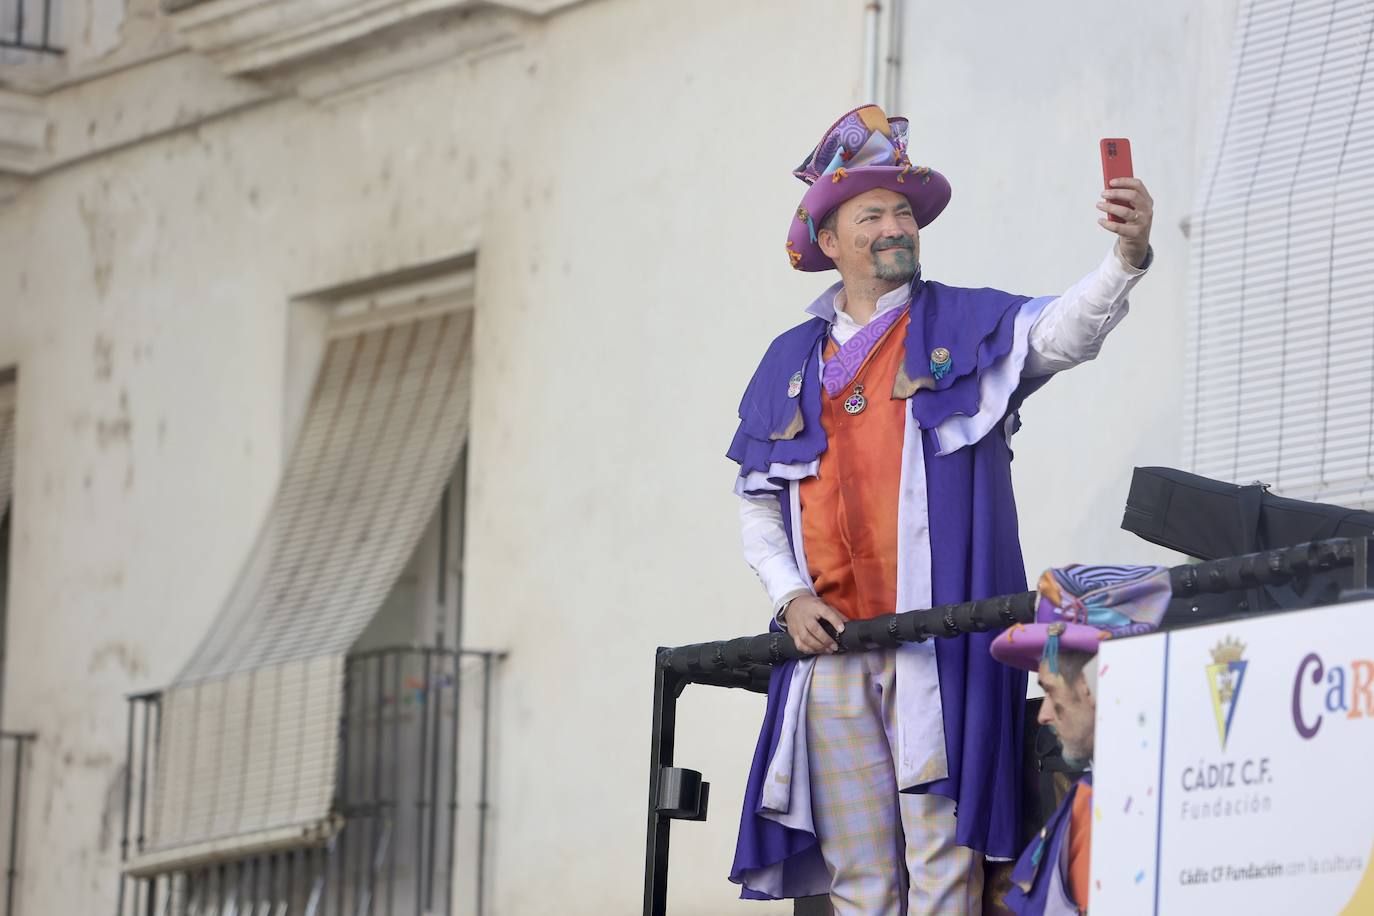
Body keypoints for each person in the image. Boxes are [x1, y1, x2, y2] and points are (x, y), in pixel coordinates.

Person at [725, 104, 1156, 914]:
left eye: (904, 213)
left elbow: (1063, 333)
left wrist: (1127, 256)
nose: (896, 226)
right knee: (860, 882)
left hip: (939, 652)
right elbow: (757, 504)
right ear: (830, 243)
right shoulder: (787, 360)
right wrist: (789, 595)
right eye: (873, 213)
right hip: (833, 653)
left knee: (944, 869)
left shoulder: (960, 321)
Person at [989, 564, 1172, 915]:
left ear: (1094, 687)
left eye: (1051, 692)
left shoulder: (1109, 807)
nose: (1042, 715)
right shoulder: (1091, 801)